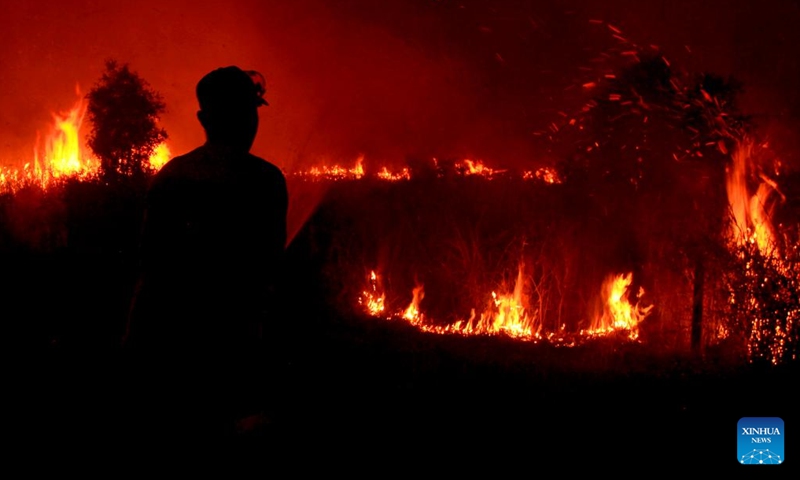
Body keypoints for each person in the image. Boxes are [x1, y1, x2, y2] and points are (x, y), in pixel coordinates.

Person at [124, 66, 288, 439]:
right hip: (237, 355)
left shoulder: (172, 177)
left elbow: (150, 272)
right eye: (248, 111)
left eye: (252, 111)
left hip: (174, 354)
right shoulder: (265, 181)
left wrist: (135, 349)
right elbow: (271, 275)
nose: (251, 122)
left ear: (203, 118)